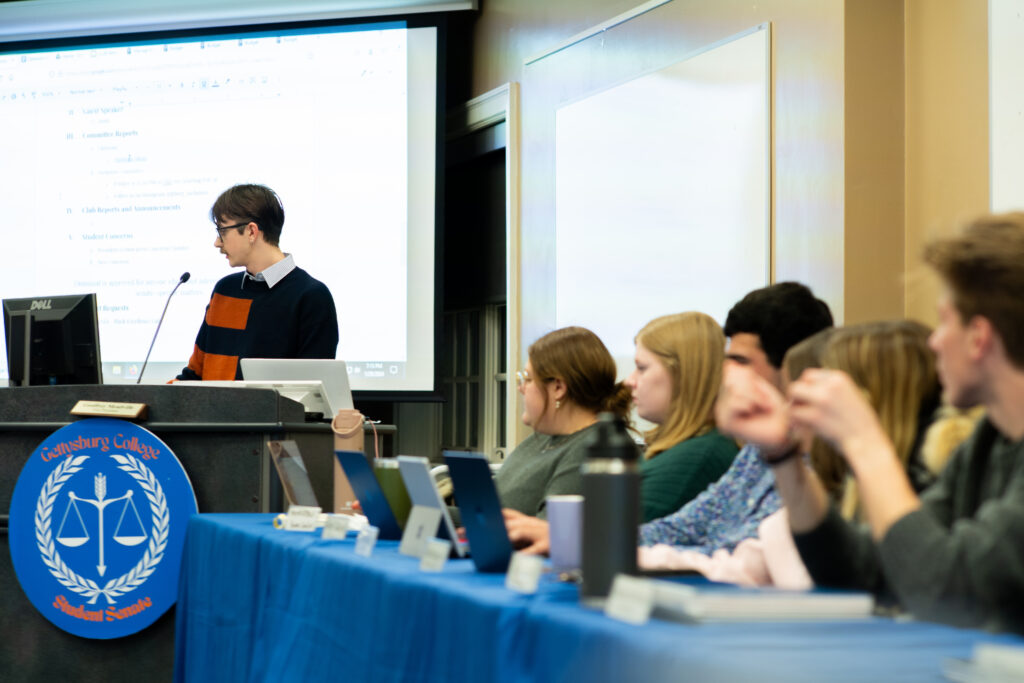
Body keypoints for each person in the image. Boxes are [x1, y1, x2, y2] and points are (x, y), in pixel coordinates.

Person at [716, 213, 1024, 633]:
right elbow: (864, 570)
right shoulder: (990, 442)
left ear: (979, 337)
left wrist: (865, 442)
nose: (935, 341)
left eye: (945, 321)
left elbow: (947, 591)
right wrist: (784, 455)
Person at [637, 282, 833, 552]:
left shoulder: (826, 456)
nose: (727, 376)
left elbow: (745, 551)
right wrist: (588, 541)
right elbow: (686, 525)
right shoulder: (754, 452)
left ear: (791, 367)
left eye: (741, 362)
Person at [176, 184, 339, 381]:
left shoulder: (311, 296)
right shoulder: (224, 290)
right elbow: (194, 376)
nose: (217, 242)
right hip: (214, 412)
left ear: (252, 232)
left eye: (222, 231)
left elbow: (313, 391)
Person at [494, 326, 634, 519]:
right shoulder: (543, 437)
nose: (521, 388)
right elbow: (487, 516)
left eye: (527, 378)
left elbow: (550, 533)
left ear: (558, 388)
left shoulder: (595, 448)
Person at [630, 312, 739, 522]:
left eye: (642, 368)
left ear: (682, 374)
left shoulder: (699, 456)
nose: (629, 381)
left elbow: (615, 536)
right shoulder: (678, 446)